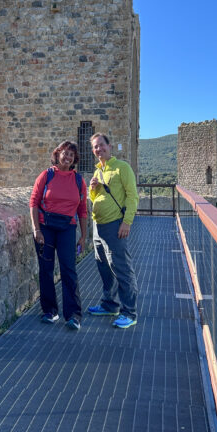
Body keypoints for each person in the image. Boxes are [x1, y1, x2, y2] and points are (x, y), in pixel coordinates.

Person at [30, 140, 88, 330]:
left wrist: (83, 235)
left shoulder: (79, 181)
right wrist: (36, 229)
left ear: (74, 160)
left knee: (68, 270)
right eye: (65, 153)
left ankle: (73, 315)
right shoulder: (46, 175)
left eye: (71, 155)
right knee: (46, 269)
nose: (67, 157)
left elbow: (82, 210)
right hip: (45, 227)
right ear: (57, 154)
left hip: (67, 228)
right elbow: (34, 202)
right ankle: (50, 311)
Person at [87, 133, 139, 328]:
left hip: (115, 224)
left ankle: (130, 312)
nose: (98, 149)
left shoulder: (122, 168)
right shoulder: (98, 171)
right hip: (97, 225)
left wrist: (127, 222)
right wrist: (93, 189)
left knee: (121, 267)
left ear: (110, 146)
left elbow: (132, 196)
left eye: (101, 145)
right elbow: (95, 199)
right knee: (104, 266)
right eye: (95, 147)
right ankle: (110, 304)